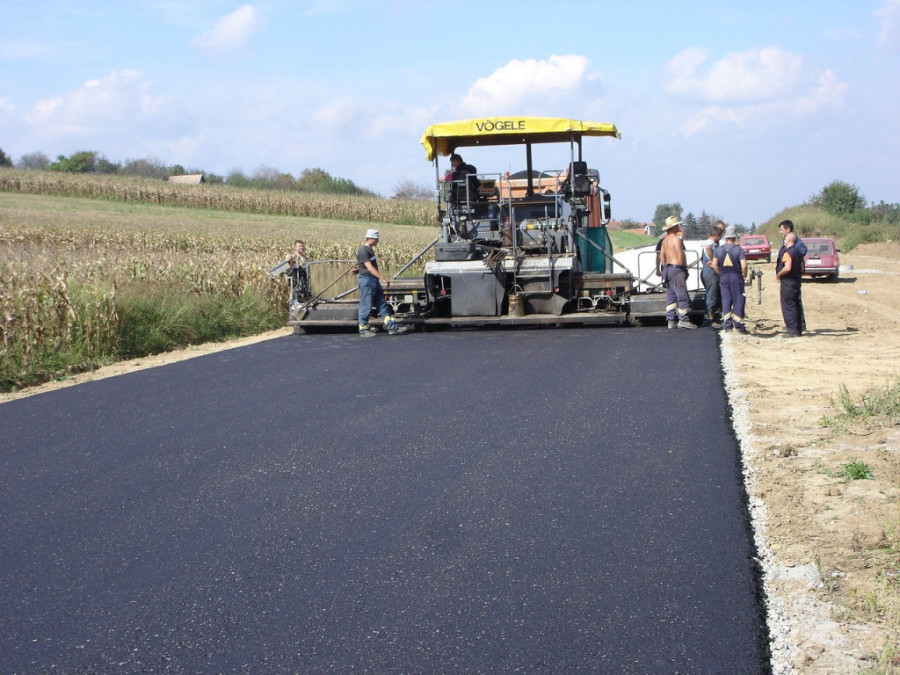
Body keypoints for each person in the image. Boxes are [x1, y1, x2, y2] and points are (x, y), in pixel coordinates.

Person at [356, 229, 408, 337]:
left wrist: (359, 270)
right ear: (371, 239)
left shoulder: (369, 250)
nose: (378, 241)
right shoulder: (364, 251)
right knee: (366, 305)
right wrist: (382, 278)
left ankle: (392, 327)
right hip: (367, 280)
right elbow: (369, 268)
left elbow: (365, 266)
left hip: (373, 280)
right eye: (376, 239)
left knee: (382, 304)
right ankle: (364, 330)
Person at [658, 216, 696, 329]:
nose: (679, 227)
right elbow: (680, 255)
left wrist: (665, 268)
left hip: (668, 269)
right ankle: (683, 319)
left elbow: (661, 256)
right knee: (681, 294)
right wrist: (683, 268)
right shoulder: (676, 240)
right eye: (678, 225)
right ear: (674, 227)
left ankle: (670, 320)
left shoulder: (664, 241)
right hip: (676, 269)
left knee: (671, 294)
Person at [711, 225, 749, 334]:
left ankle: (727, 325)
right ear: (735, 237)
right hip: (736, 276)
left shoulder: (718, 250)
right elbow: (744, 266)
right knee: (738, 299)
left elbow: (714, 265)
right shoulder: (739, 250)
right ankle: (739, 325)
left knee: (726, 299)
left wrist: (720, 273)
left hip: (724, 277)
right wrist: (744, 275)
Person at [776, 220, 806, 331]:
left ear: (788, 230)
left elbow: (790, 265)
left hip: (790, 278)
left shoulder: (795, 247)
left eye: (782, 230)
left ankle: (795, 327)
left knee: (791, 303)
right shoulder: (790, 247)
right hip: (792, 278)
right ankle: (796, 326)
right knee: (794, 302)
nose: (780, 232)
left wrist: (779, 274)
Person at [700, 227, 723, 327]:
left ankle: (715, 317)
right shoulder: (710, 244)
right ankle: (708, 320)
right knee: (711, 296)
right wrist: (713, 261)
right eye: (720, 236)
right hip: (711, 274)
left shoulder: (711, 244)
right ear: (716, 235)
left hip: (711, 273)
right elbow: (708, 248)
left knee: (716, 295)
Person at [285, 239, 309, 303]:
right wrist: (290, 258)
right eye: (299, 246)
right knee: (295, 297)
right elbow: (287, 263)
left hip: (304, 281)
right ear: (295, 247)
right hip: (296, 282)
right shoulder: (294, 256)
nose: (301, 247)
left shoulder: (304, 257)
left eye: (302, 246)